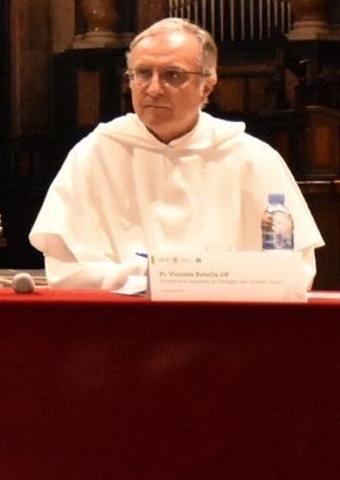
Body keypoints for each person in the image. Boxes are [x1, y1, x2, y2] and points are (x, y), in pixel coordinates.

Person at [30, 18, 323, 289]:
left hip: (226, 328)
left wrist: (181, 279)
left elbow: (295, 273)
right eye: (143, 73)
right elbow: (65, 272)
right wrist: (155, 277)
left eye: (172, 75)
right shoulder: (94, 155)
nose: (153, 88)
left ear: (207, 85)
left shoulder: (253, 159)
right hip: (120, 327)